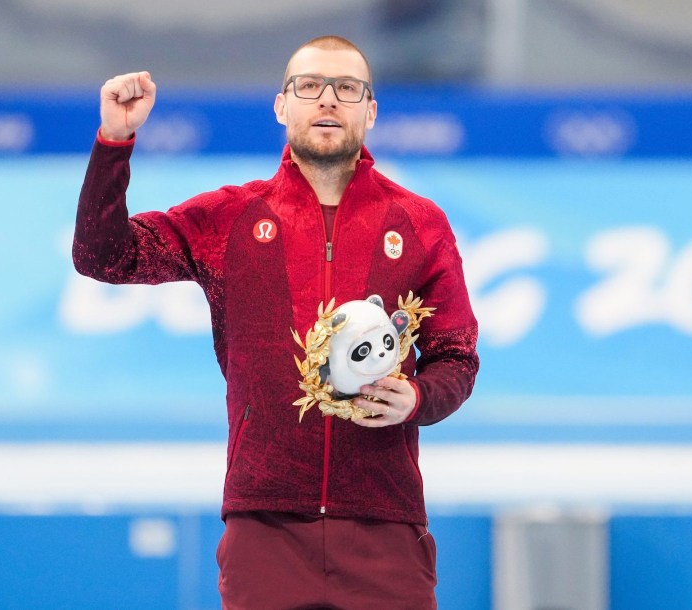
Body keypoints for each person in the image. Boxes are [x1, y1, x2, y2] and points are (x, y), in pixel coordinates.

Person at [73, 35, 479, 610]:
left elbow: (457, 357)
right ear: (282, 105)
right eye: (309, 87)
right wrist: (114, 141)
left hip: (384, 530)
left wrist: (415, 398)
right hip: (264, 531)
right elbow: (102, 256)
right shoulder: (229, 219)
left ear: (371, 110)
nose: (328, 101)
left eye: (347, 88)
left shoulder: (419, 223)